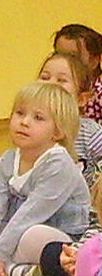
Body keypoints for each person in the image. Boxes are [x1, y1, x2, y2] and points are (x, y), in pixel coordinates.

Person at [0, 81, 91, 276]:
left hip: (62, 236)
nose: (24, 122)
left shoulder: (58, 164)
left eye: (37, 118)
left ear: (58, 132)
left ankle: (2, 269)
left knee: (34, 235)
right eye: (19, 113)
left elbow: (30, 214)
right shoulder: (8, 160)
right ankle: (19, 273)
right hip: (16, 232)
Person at [37, 50, 102, 188]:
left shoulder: (90, 134)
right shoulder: (30, 125)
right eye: (45, 77)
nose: (51, 84)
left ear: (81, 99)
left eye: (61, 80)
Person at [55, 23, 102, 122]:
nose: (65, 62)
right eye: (59, 55)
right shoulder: (54, 84)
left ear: (94, 61)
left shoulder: (98, 93)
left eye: (74, 57)